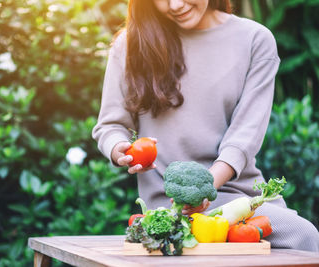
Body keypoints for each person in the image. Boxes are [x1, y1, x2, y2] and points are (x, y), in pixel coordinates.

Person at [92, 0, 319, 251]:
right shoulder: (130, 44)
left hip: (237, 197)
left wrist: (205, 187)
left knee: (304, 236)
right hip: (171, 205)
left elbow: (243, 139)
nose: (175, 5)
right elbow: (110, 126)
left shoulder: (254, 40)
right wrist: (119, 149)